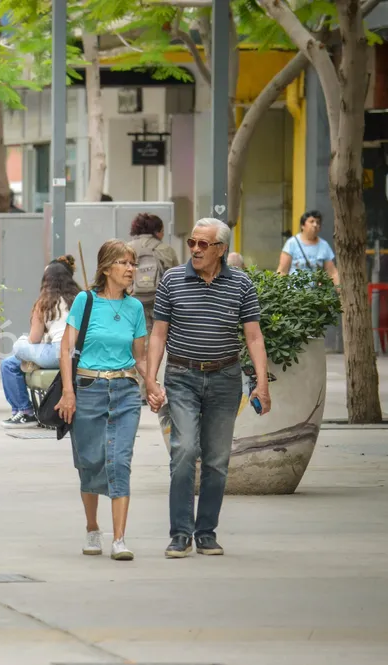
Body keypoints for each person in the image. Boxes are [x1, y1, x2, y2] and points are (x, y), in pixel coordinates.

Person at [145, 218, 271, 558]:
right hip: (182, 376)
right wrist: (151, 379)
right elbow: (158, 333)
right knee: (184, 450)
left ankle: (206, 533)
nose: (196, 249)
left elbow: (254, 336)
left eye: (204, 244)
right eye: (192, 243)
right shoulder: (172, 280)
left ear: (221, 250)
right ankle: (180, 533)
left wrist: (261, 383)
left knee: (216, 459)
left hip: (225, 378)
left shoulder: (241, 284)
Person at [54, 239, 147, 561]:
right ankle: (93, 528)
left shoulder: (135, 308)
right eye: (124, 263)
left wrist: (153, 384)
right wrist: (68, 391)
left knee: (120, 462)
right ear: (107, 268)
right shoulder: (86, 300)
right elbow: (65, 349)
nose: (131, 269)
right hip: (88, 391)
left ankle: (119, 539)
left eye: (133, 263)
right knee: (91, 462)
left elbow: (141, 357)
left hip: (124, 392)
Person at [0, 260, 82, 428]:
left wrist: (25, 342)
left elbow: (34, 339)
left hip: (56, 354)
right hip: (79, 352)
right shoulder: (80, 299)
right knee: (10, 364)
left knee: (19, 346)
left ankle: (24, 411)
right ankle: (21, 412)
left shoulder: (45, 302)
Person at [128, 212, 179, 333]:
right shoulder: (166, 249)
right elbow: (176, 278)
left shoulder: (127, 248)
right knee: (158, 338)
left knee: (139, 337)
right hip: (160, 302)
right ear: (156, 232)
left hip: (133, 301)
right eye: (162, 231)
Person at [276, 210, 340, 285]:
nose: (315, 225)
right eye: (311, 221)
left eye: (318, 222)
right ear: (302, 225)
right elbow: (283, 271)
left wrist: (340, 292)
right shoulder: (292, 243)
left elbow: (332, 273)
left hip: (315, 294)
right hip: (294, 293)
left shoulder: (324, 246)